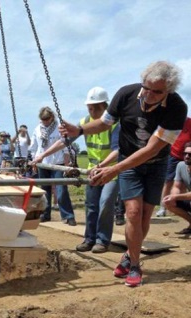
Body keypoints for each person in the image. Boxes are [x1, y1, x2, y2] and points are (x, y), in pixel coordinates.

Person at [59, 61, 187, 287]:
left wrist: (113, 170)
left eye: (157, 92)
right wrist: (79, 130)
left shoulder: (177, 107)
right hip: (129, 165)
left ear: (168, 90)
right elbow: (105, 123)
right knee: (133, 212)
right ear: (143, 81)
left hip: (155, 164)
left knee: (145, 215)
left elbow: (151, 148)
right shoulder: (126, 94)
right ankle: (136, 265)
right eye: (146, 87)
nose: (149, 94)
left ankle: (129, 255)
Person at [74, 87, 120, 253]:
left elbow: (118, 150)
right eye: (89, 108)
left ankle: (102, 240)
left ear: (104, 107)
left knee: (106, 202)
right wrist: (42, 156)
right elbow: (66, 140)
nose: (91, 111)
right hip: (93, 171)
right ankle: (89, 239)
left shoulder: (115, 124)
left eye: (94, 108)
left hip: (112, 171)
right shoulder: (85, 122)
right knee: (92, 206)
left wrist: (101, 166)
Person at [30, 106, 76, 226]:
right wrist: (34, 160)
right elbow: (34, 147)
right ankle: (45, 214)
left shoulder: (59, 128)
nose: (45, 121)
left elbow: (66, 145)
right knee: (45, 190)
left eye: (47, 119)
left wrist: (67, 163)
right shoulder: (37, 129)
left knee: (61, 190)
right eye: (43, 119)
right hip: (42, 162)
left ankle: (68, 216)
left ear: (52, 117)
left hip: (58, 163)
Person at [156, 117, 191, 217]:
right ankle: (163, 207)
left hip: (188, 155)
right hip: (174, 155)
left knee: (183, 183)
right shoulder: (173, 121)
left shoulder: (189, 122)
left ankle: (182, 205)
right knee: (168, 181)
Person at [162, 142, 191, 234]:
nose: (187, 156)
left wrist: (176, 197)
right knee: (168, 203)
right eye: (185, 154)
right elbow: (176, 186)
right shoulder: (181, 166)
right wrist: (173, 197)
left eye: (190, 154)